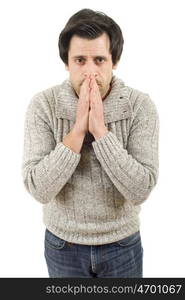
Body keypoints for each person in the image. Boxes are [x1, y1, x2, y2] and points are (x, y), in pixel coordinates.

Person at [22, 8, 159, 278]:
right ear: (66, 62)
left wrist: (100, 131)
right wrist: (77, 132)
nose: (90, 72)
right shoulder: (43, 105)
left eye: (99, 60)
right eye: (80, 60)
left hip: (122, 244)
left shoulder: (141, 106)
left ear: (114, 61)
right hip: (63, 244)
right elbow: (38, 188)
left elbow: (141, 188)